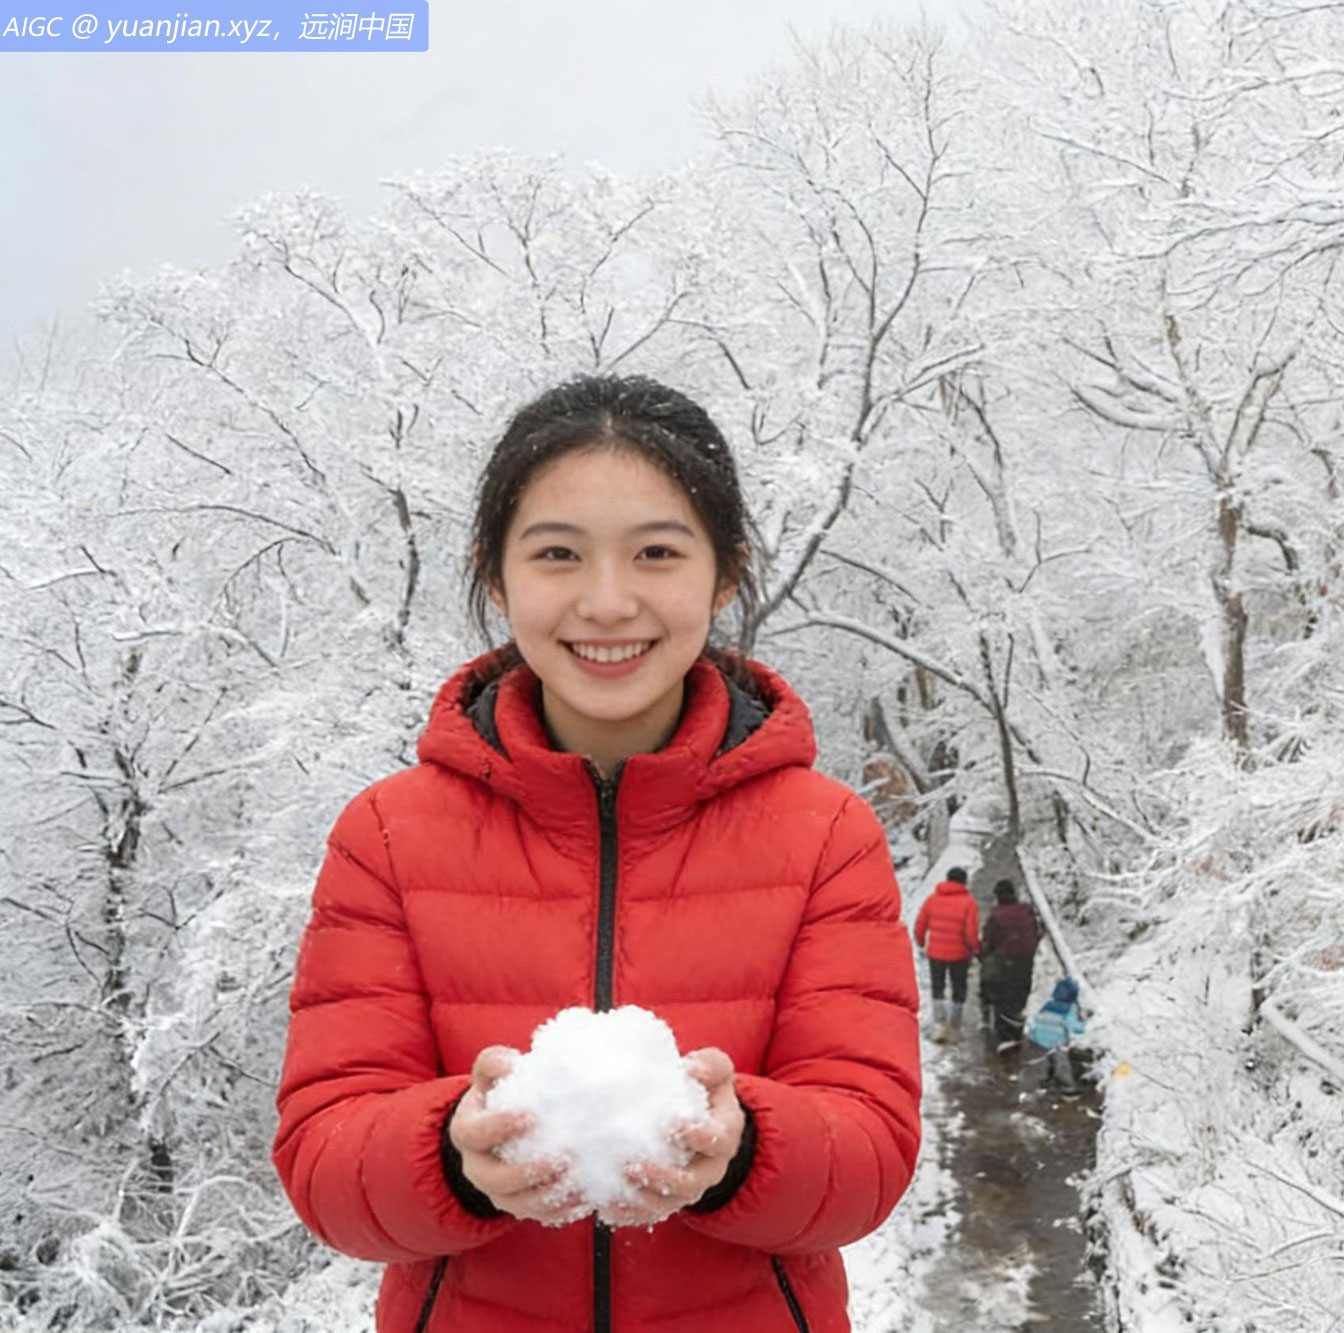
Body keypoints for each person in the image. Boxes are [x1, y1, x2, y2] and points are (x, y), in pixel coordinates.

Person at [272, 375, 922, 1333]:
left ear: (726, 573)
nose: (608, 602)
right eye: (558, 554)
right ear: (496, 575)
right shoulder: (388, 835)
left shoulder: (825, 833)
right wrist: (454, 1152)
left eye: (657, 552)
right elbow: (324, 1163)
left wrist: (743, 1148)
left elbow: (872, 1152)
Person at [912, 865, 980, 1041]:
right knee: (958, 987)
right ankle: (954, 1026)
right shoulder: (969, 902)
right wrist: (975, 948)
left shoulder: (932, 899)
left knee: (938, 986)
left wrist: (921, 941)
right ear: (964, 882)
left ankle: (939, 1024)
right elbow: (971, 932)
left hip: (935, 953)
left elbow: (920, 924)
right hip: (959, 955)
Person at [980, 880, 1043, 1049]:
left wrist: (984, 955)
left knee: (1002, 999)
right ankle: (1018, 1029)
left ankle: (1006, 1038)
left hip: (1005, 962)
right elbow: (1037, 933)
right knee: (1019, 996)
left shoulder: (996, 915)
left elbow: (989, 941)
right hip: (1026, 961)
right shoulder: (1027, 910)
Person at [1027, 977, 1087, 1097]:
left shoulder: (1048, 1005)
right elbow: (1077, 1028)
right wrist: (1083, 1020)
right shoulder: (1070, 1009)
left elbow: (1036, 1020)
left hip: (1040, 1040)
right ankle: (1067, 1087)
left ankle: (1044, 1083)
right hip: (1058, 1042)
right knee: (1062, 1064)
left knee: (1045, 1062)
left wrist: (1033, 1035)